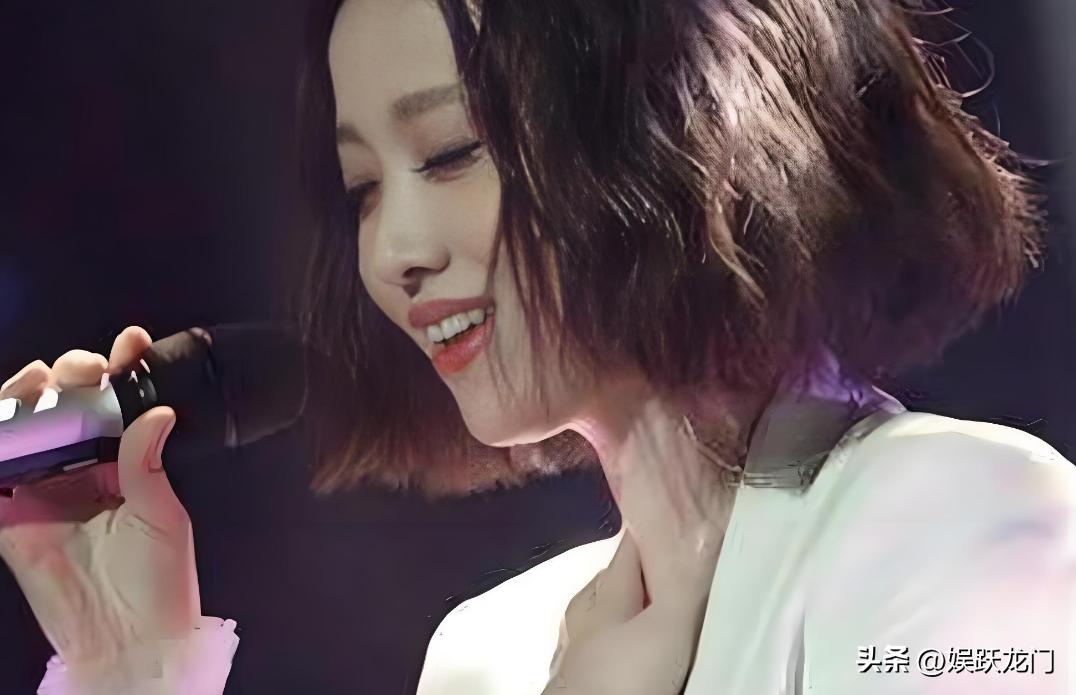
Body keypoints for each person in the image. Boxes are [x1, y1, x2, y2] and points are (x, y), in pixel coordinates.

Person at [1, 0, 1073, 693]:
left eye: (451, 152)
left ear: (668, 123)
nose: (395, 250)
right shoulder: (488, 652)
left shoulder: (958, 518)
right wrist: (129, 665)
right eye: (362, 188)